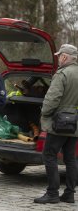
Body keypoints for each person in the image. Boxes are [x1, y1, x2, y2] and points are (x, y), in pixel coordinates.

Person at [34, 44, 78, 204]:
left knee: (49, 155)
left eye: (60, 56)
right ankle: (69, 193)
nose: (58, 58)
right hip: (75, 124)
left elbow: (52, 99)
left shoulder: (62, 74)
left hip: (58, 123)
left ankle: (52, 193)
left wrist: (44, 113)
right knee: (71, 158)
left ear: (65, 57)